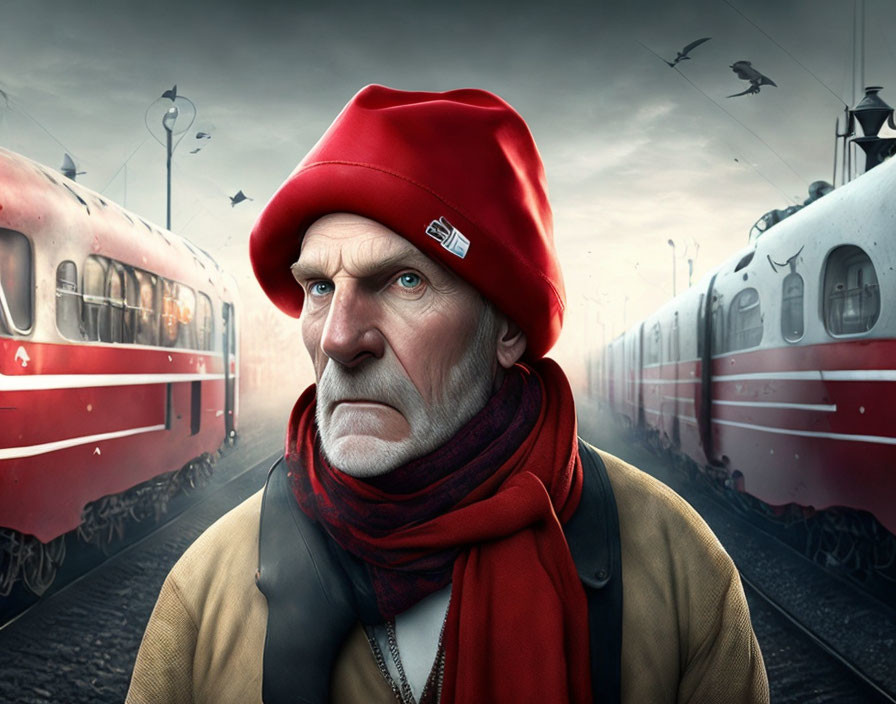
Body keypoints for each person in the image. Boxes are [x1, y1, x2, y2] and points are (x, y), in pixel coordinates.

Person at [127, 85, 769, 704]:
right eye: (319, 287)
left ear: (508, 327)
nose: (340, 339)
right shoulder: (203, 595)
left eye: (405, 280)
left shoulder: (681, 574)